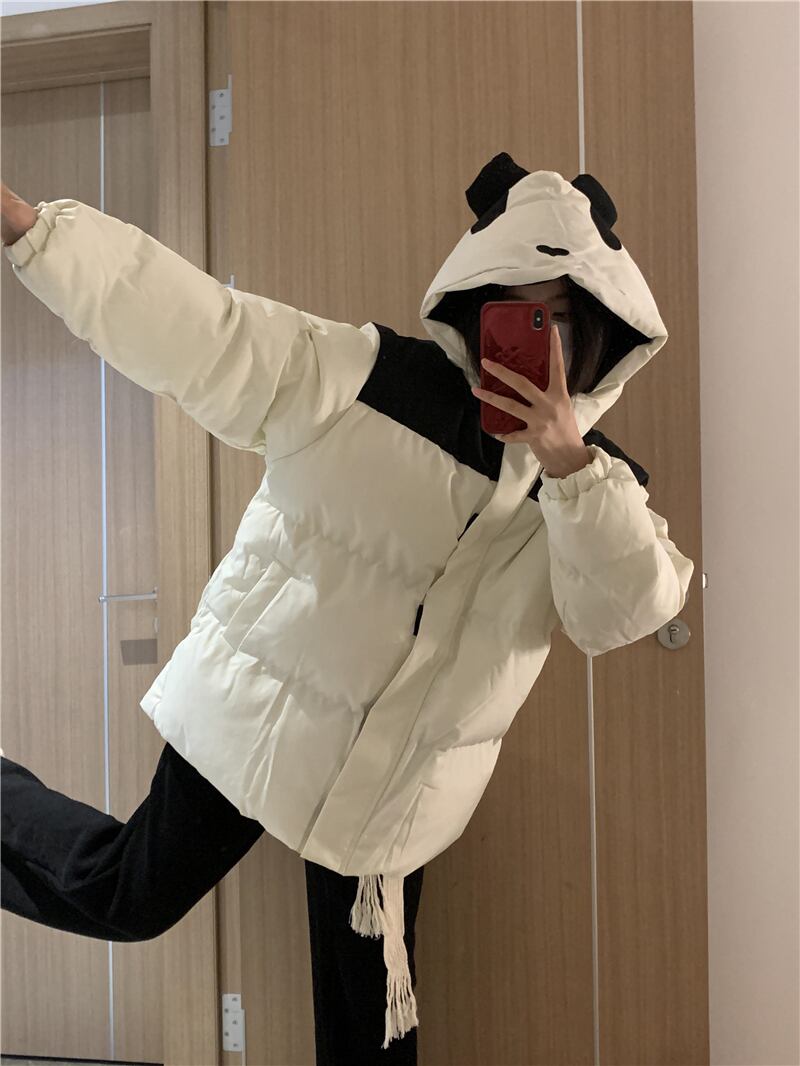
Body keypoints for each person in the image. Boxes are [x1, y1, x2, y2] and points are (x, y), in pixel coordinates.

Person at [0, 153, 694, 1062]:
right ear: (473, 307)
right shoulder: (365, 375)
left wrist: (569, 466)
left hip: (396, 791)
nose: (536, 341)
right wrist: (34, 233)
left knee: (373, 1033)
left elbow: (623, 612)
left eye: (558, 318)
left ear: (601, 330)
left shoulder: (599, 486)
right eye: (512, 311)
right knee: (124, 896)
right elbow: (207, 331)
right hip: (261, 717)